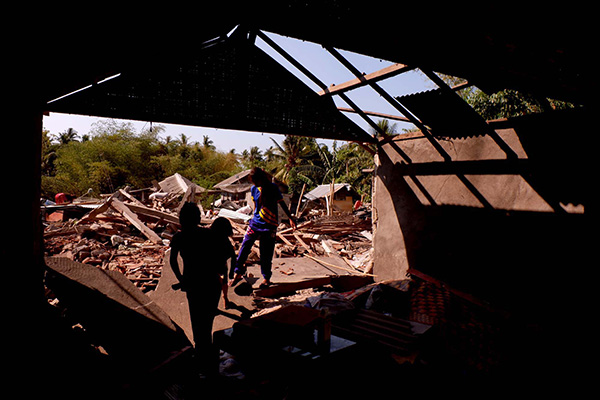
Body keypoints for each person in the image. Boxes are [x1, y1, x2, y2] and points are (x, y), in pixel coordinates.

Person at [169, 202, 224, 377]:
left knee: (198, 324)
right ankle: (208, 362)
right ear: (198, 218)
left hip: (194, 284)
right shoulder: (208, 235)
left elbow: (172, 261)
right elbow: (220, 260)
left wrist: (182, 279)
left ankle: (203, 363)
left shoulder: (179, 237)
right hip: (211, 283)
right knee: (206, 323)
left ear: (181, 219)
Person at [230, 167, 296, 288]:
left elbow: (282, 203)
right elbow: (256, 207)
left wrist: (290, 218)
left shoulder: (273, 188)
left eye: (256, 181)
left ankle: (266, 278)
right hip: (255, 223)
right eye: (253, 181)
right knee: (244, 247)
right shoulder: (254, 189)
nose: (255, 183)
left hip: (269, 225)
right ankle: (238, 273)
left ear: (261, 178)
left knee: (266, 253)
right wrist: (253, 218)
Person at [209, 217, 236, 309]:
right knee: (224, 282)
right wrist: (232, 272)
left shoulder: (210, 238)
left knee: (212, 285)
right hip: (221, 265)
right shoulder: (226, 241)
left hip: (210, 265)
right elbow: (233, 257)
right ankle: (225, 298)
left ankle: (213, 304)